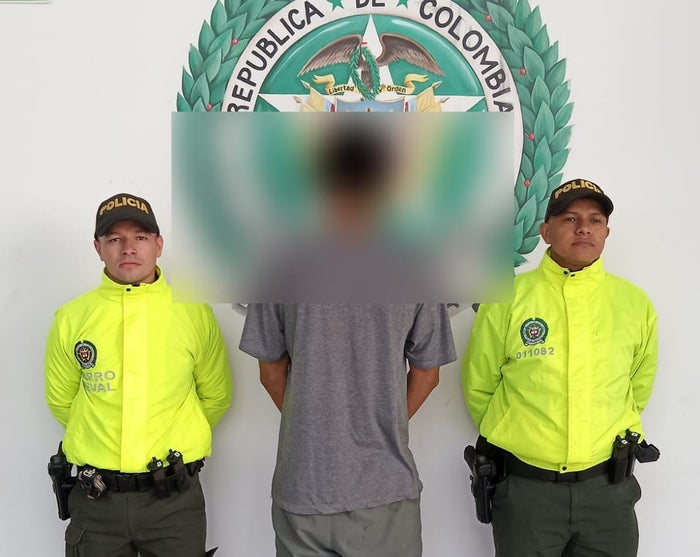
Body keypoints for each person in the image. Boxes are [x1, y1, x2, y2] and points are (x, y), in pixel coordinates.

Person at [462, 178, 658, 557]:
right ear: (546, 232)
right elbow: (479, 385)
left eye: (595, 220)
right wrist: (521, 437)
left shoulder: (634, 304)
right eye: (570, 219)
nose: (584, 228)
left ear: (606, 232)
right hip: (527, 492)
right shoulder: (507, 298)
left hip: (608, 494)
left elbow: (637, 388)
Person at [45, 193, 232, 557]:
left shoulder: (194, 314)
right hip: (96, 502)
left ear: (158, 245)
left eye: (141, 237)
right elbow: (61, 401)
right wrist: (106, 444)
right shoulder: (71, 318)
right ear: (98, 247)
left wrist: (170, 437)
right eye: (115, 238)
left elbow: (215, 396)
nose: (128, 248)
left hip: (174, 504)